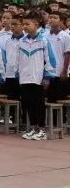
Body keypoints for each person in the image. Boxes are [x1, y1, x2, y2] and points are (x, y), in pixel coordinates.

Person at [19, 12, 58, 141]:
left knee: (38, 104)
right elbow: (18, 60)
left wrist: (47, 77)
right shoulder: (22, 41)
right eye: (23, 24)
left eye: (27, 24)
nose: (24, 26)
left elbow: (51, 61)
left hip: (38, 78)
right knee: (29, 104)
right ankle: (34, 128)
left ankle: (41, 129)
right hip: (25, 78)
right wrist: (18, 74)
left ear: (36, 24)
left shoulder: (43, 41)